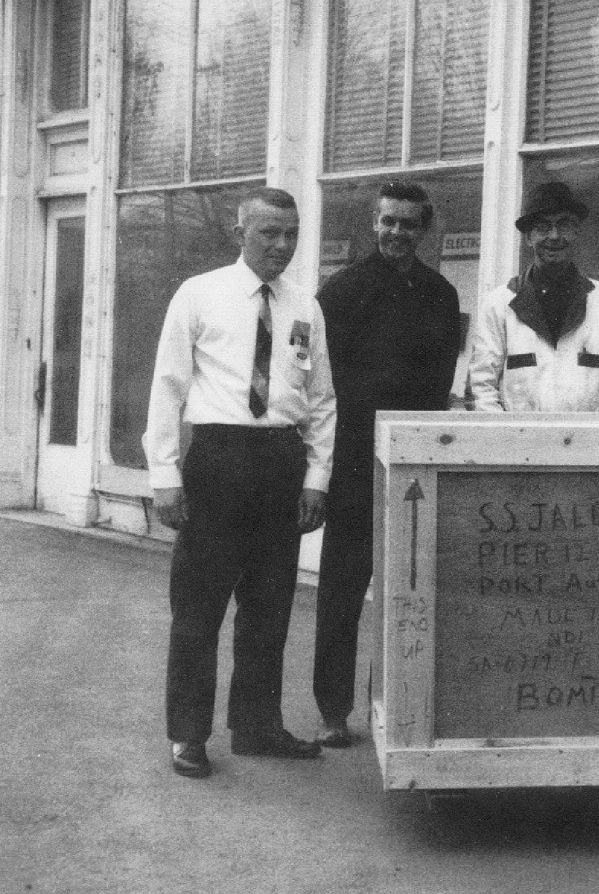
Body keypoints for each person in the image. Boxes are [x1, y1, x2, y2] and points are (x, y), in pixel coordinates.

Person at [143, 186, 337, 779]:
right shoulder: (198, 294)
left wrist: (317, 476)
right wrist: (165, 475)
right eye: (267, 233)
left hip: (279, 460)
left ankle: (256, 726)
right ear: (240, 233)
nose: (281, 245)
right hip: (219, 460)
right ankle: (188, 734)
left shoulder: (305, 305)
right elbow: (168, 387)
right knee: (199, 609)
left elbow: (322, 398)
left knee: (269, 606)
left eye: (290, 234)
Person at [312, 181, 461, 748]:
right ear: (373, 224)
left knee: (410, 597)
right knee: (342, 594)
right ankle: (332, 710)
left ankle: (397, 707)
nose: (397, 233)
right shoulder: (341, 292)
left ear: (424, 230)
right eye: (388, 222)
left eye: (408, 224)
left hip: (413, 473)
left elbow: (440, 384)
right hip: (352, 466)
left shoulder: (441, 297)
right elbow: (322, 389)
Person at [470, 181, 599, 412]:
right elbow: (482, 386)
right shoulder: (499, 304)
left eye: (564, 225)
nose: (554, 236)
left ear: (577, 232)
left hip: (589, 442)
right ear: (528, 237)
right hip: (519, 443)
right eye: (543, 227)